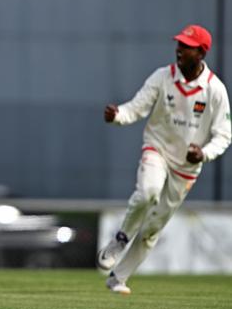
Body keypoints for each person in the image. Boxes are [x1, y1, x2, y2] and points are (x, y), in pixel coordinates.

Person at [97, 25, 231, 294]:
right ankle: (120, 239)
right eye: (179, 44)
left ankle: (118, 278)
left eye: (187, 46)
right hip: (157, 149)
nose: (179, 50)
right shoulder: (163, 76)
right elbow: (136, 108)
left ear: (201, 52)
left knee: (153, 228)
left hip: (186, 166)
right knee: (148, 192)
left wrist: (203, 153)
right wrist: (118, 116)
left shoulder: (214, 90)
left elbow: (224, 135)